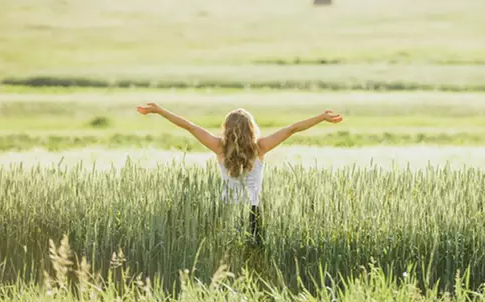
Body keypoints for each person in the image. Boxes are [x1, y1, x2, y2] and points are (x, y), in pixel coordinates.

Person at [136, 103, 343, 243]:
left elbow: (190, 126)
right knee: (254, 252)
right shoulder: (260, 147)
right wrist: (321, 117)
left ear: (226, 128)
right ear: (252, 128)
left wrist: (160, 111)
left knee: (228, 256)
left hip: (226, 210)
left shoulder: (219, 147)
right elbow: (292, 128)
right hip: (253, 212)